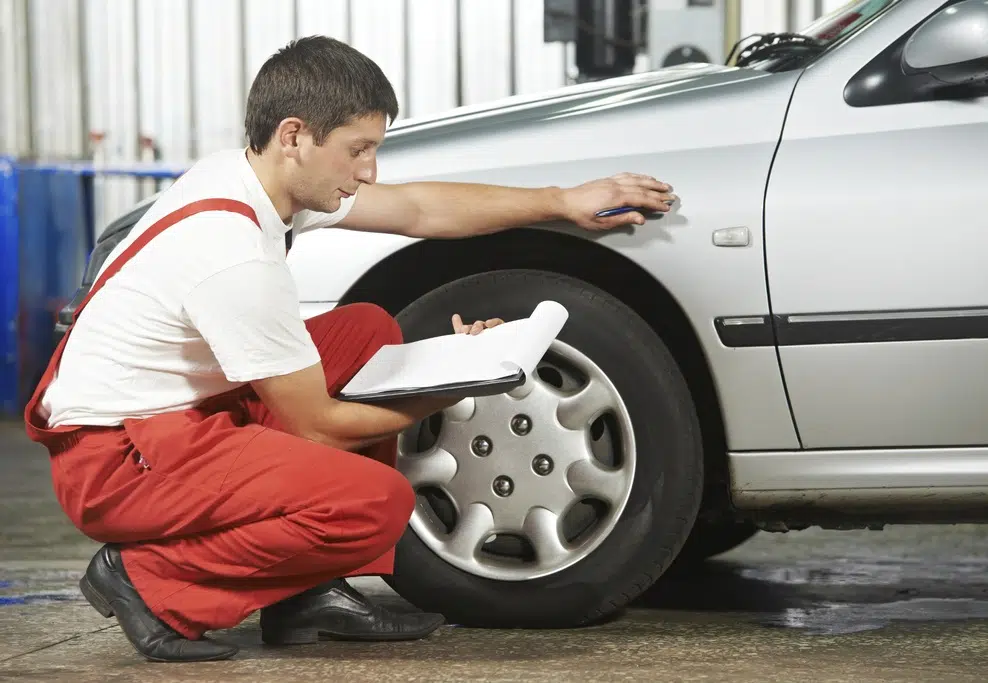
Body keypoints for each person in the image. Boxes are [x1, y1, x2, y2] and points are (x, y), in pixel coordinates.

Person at [23, 35, 676, 663]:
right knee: (375, 502)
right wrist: (445, 388)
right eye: (358, 149)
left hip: (166, 416)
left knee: (365, 331)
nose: (369, 171)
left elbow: (418, 209)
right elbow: (320, 424)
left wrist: (561, 201)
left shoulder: (256, 178)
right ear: (294, 136)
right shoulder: (233, 253)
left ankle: (306, 594)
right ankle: (147, 578)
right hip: (118, 459)